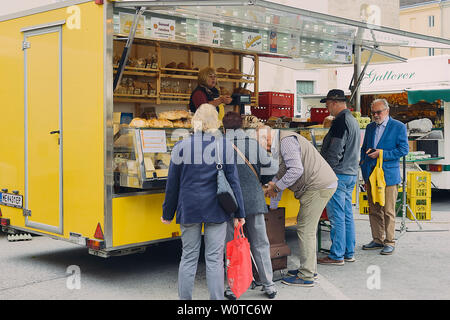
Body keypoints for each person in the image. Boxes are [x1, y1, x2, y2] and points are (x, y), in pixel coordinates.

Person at [161, 104, 246, 300]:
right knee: (214, 259)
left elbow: (172, 184)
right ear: (215, 122)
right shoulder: (223, 145)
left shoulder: (181, 146)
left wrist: (167, 213)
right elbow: (233, 181)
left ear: (195, 121)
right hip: (216, 209)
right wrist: (239, 213)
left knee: (188, 257)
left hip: (189, 208)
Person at [256, 125, 337, 287]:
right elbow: (279, 176)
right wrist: (273, 206)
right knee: (307, 228)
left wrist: (276, 188)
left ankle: (306, 275)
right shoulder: (280, 145)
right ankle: (309, 269)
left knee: (305, 229)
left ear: (268, 138)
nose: (264, 149)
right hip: (319, 185)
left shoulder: (286, 141)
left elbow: (296, 171)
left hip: (317, 187)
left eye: (262, 145)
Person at [221, 112, 277, 300]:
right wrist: (261, 180)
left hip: (229, 202)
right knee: (260, 243)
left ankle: (232, 288)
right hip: (253, 200)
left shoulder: (219, 145)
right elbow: (271, 168)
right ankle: (269, 285)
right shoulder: (252, 144)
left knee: (231, 245)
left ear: (224, 128)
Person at [360, 98, 409, 255]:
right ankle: (377, 239)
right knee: (374, 210)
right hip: (371, 175)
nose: (375, 115)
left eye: (378, 112)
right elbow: (364, 149)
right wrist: (364, 172)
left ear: (387, 111)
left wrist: (381, 154)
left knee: (388, 210)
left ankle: (390, 241)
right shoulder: (369, 127)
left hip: (388, 175)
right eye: (373, 112)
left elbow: (403, 150)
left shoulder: (398, 127)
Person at [317, 89, 361, 265]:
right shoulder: (352, 120)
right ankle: (348, 252)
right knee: (347, 214)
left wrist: (326, 171)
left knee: (337, 216)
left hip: (338, 174)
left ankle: (336, 255)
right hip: (350, 173)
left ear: (335, 103)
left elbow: (335, 150)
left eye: (327, 104)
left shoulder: (340, 122)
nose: (327, 108)